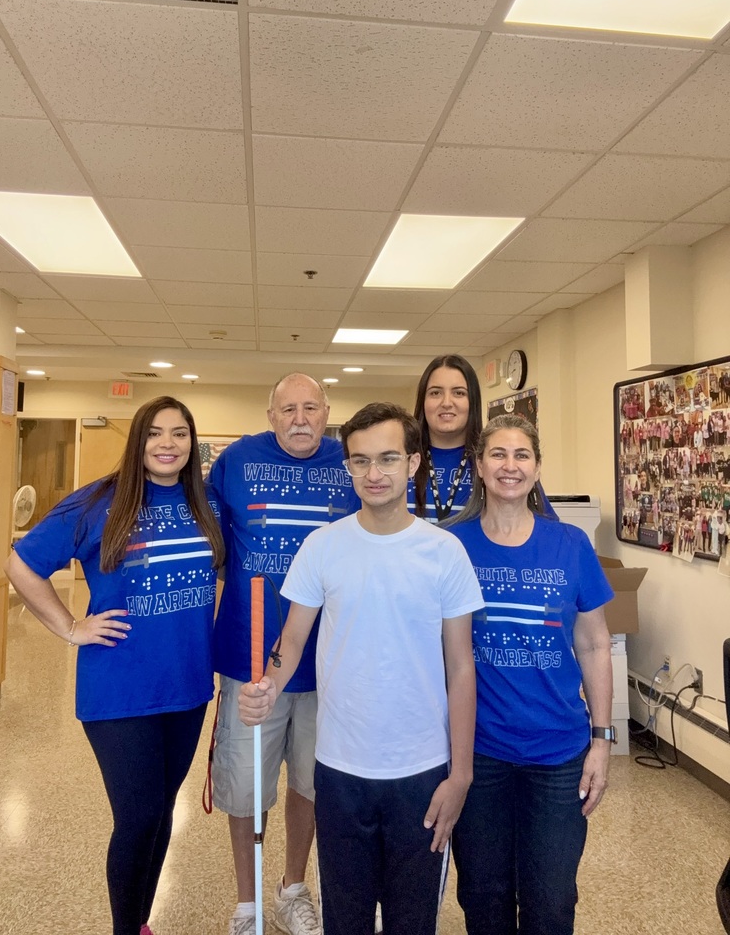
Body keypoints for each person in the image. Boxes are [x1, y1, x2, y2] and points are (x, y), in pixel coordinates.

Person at [238, 402, 483, 935]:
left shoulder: (444, 552)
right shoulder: (322, 546)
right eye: (360, 460)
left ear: (413, 462)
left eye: (388, 458)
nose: (374, 473)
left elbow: (461, 667)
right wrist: (268, 685)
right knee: (345, 919)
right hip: (340, 769)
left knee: (411, 921)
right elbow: (292, 639)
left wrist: (461, 774)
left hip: (422, 771)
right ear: (347, 465)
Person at [4, 396, 225, 935]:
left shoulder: (206, 504)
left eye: (179, 433)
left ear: (192, 443)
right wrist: (70, 627)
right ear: (138, 441)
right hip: (119, 689)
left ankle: (141, 922)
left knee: (162, 810)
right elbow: (21, 563)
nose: (167, 444)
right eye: (154, 433)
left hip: (188, 686)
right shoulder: (98, 502)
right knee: (138, 815)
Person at [447, 414, 614, 935]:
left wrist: (602, 741)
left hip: (558, 754)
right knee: (483, 894)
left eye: (522, 455)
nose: (510, 465)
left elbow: (594, 643)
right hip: (478, 752)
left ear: (538, 467)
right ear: (479, 466)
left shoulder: (570, 545)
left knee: (551, 900)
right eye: (497, 454)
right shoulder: (450, 545)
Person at [209, 373, 360, 935]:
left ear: (327, 413)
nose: (300, 419)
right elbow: (208, 539)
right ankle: (247, 903)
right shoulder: (236, 460)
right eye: (288, 409)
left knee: (311, 784)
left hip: (330, 663)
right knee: (245, 787)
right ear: (270, 414)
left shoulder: (351, 462)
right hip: (251, 660)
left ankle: (292, 889)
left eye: (311, 408)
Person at [412, 354, 556, 522]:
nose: (446, 402)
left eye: (459, 393)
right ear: (423, 400)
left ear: (473, 401)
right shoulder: (401, 461)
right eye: (435, 393)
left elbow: (547, 528)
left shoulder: (498, 463)